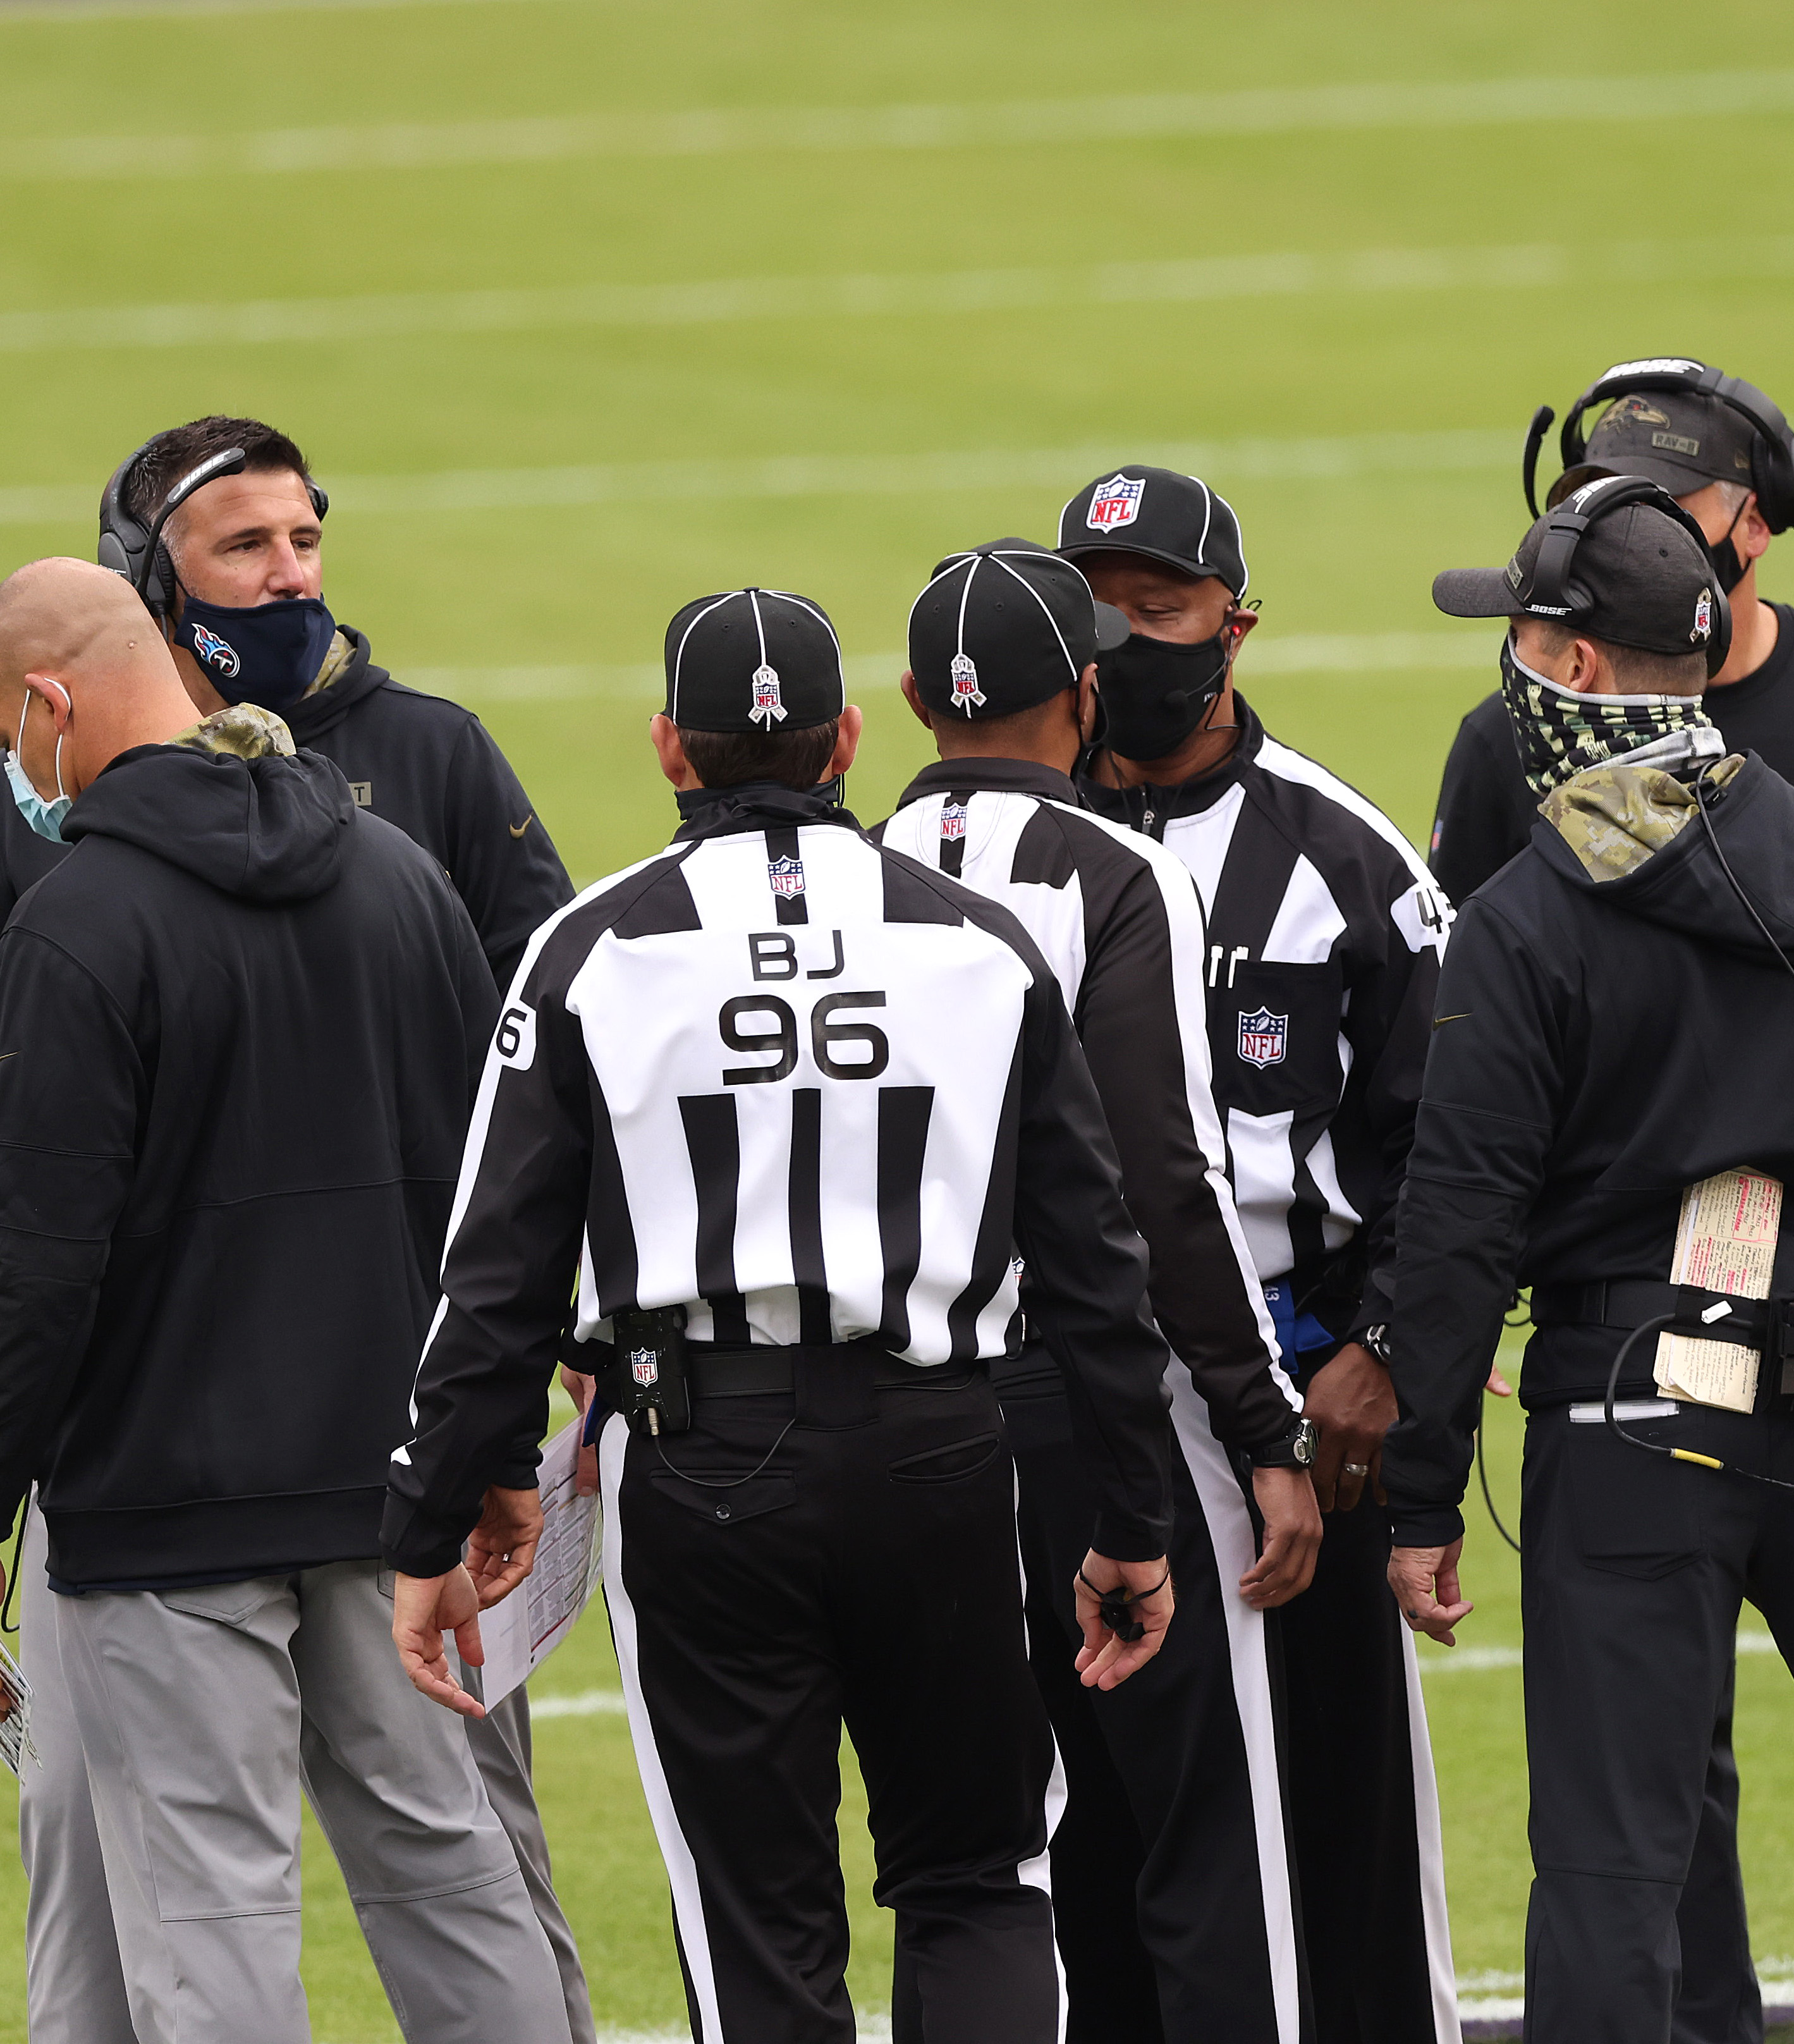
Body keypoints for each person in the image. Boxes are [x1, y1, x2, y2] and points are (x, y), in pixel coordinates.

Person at [0, 415, 589, 2044]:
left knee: (206, 1917)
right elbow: (491, 1194)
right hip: (385, 1478)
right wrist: (493, 1444)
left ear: (50, 707)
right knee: (454, 1883)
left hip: (159, 1510)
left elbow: (38, 1257)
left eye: (4, 738)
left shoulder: (79, 921)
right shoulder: (397, 871)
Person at [380, 589, 1187, 2041]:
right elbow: (1096, 1258)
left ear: (669, 752)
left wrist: (439, 1514)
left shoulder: (591, 948)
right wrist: (1130, 1512)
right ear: (850, 739)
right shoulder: (977, 945)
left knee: (756, 1916)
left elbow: (493, 1276)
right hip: (941, 1442)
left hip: (704, 1458)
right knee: (980, 1877)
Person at [1377, 479, 1794, 2044]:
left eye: (1531, 636)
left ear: (1591, 668)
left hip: (1631, 1417)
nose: (1515, 666)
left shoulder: (1526, 910)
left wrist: (1420, 1490)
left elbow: (1457, 1214)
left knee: (1612, 1869)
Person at [877, 540, 1324, 2043]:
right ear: (1082, 691)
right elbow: (1162, 1187)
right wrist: (1264, 1427)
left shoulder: (842, 873)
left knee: (968, 1862)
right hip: (1091, 1414)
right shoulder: (1117, 870)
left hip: (900, 1423)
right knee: (1204, 1846)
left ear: (905, 704)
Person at [1060, 466, 1463, 2043]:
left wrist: (1382, 1358)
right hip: (1068, 1390)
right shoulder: (998, 834)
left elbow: (1452, 1140)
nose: (1121, 636)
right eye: (1095, 605)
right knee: (1081, 1811)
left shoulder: (1345, 857)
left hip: (1298, 1388)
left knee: (1332, 1813)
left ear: (1234, 624)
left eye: (1155, 608)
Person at [1427, 356, 1794, 966]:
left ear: (1755, 524)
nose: (1623, 532)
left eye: (1662, 505)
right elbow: (1457, 983)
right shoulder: (1505, 735)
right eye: (1598, 504)